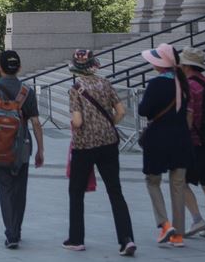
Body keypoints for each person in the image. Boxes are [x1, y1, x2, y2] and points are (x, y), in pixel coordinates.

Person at [64, 50, 136, 256]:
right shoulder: (105, 83)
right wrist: (107, 125)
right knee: (115, 190)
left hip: (84, 145)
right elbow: (120, 111)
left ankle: (76, 239)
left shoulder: (76, 89)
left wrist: (77, 125)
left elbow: (77, 121)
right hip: (109, 143)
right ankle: (126, 239)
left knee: (76, 192)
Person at [0, 50, 44, 250]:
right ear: (19, 67)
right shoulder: (27, 92)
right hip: (22, 146)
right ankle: (17, 228)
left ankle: (11, 232)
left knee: (5, 189)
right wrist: (40, 149)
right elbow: (35, 122)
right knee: (20, 190)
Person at [137, 43, 192, 247]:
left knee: (153, 181)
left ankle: (164, 223)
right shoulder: (182, 82)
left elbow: (144, 110)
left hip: (159, 138)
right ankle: (179, 234)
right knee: (178, 185)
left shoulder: (156, 83)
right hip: (181, 139)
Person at [179, 48, 205, 240]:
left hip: (194, 142)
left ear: (186, 66)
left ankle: (197, 219)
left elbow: (188, 115)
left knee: (180, 182)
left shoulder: (188, 86)